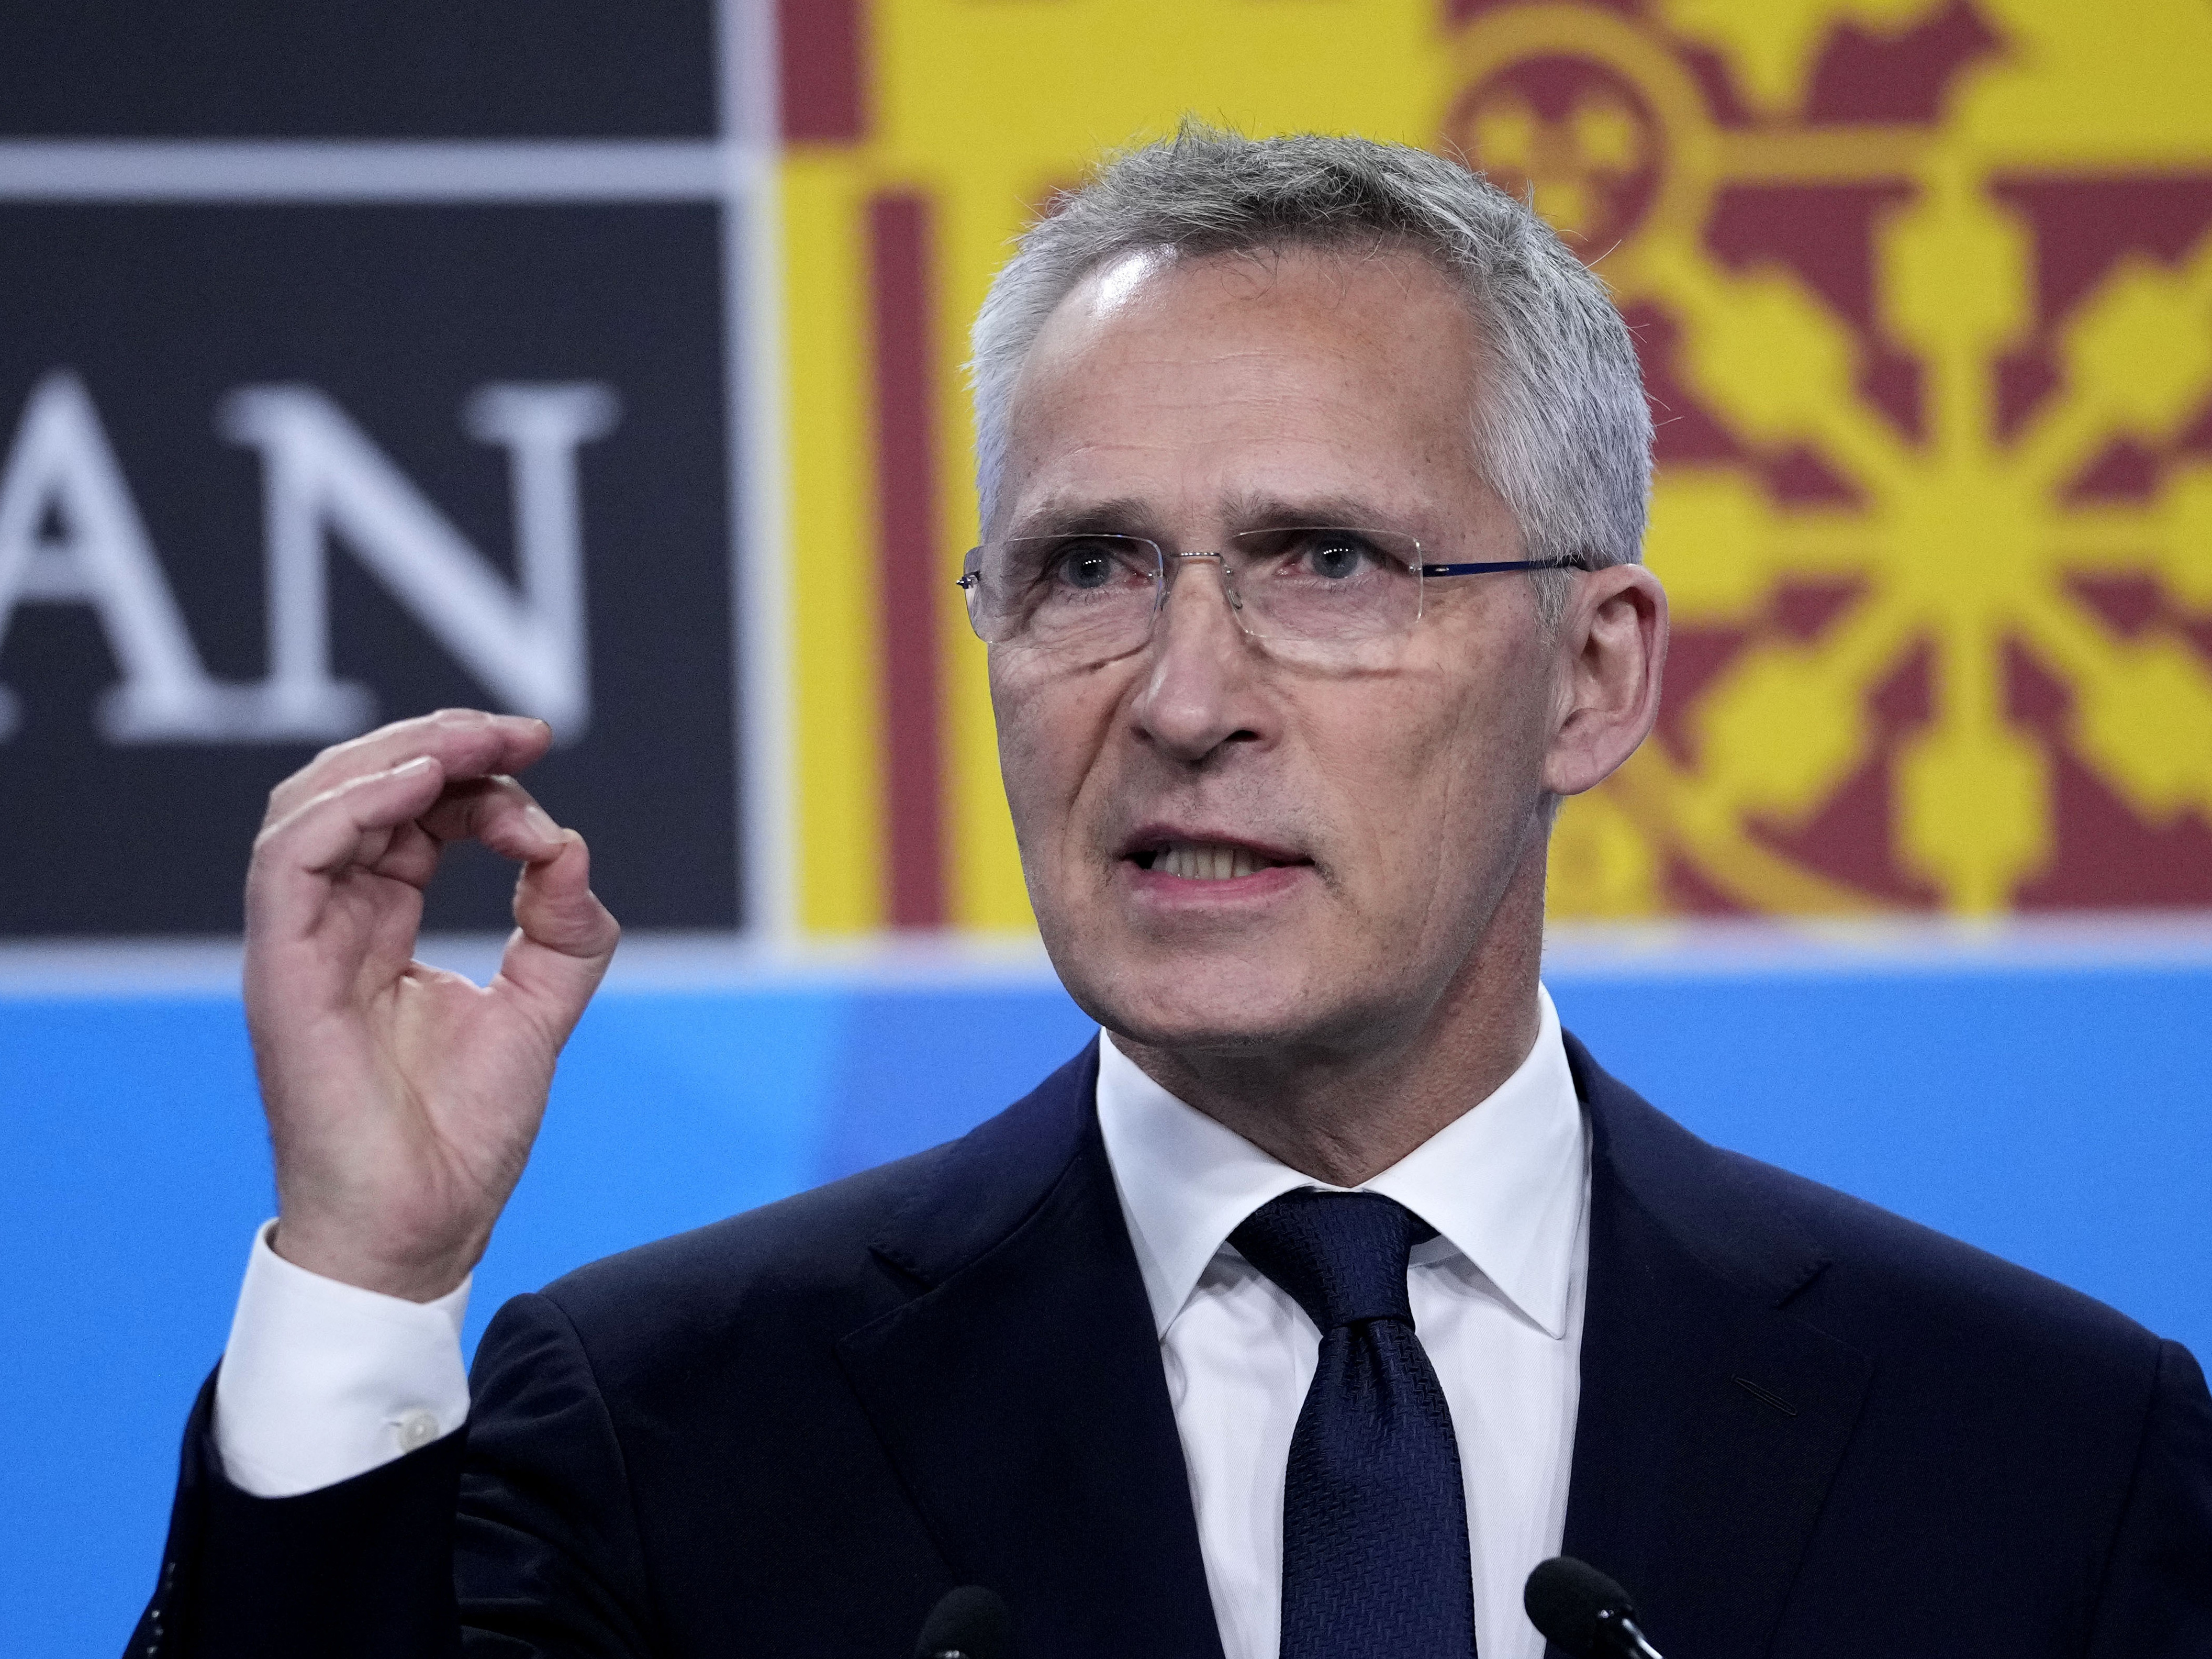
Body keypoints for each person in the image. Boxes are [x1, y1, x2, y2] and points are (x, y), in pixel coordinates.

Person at [131, 128, 2209, 1659]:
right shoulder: (670, 1424)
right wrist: (363, 1273)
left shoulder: (2039, 1448)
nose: (1183, 698)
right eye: (1086, 569)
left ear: (1590, 674)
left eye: (1327, 562)